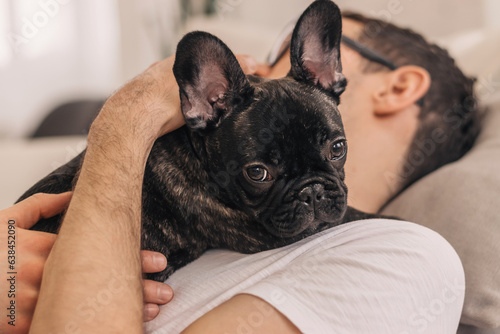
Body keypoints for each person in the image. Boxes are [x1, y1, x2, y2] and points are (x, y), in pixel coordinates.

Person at [0, 7, 477, 334]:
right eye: (262, 173)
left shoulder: (403, 256)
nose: (265, 71)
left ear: (397, 87)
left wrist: (128, 116)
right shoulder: (189, 168)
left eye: (299, 54)